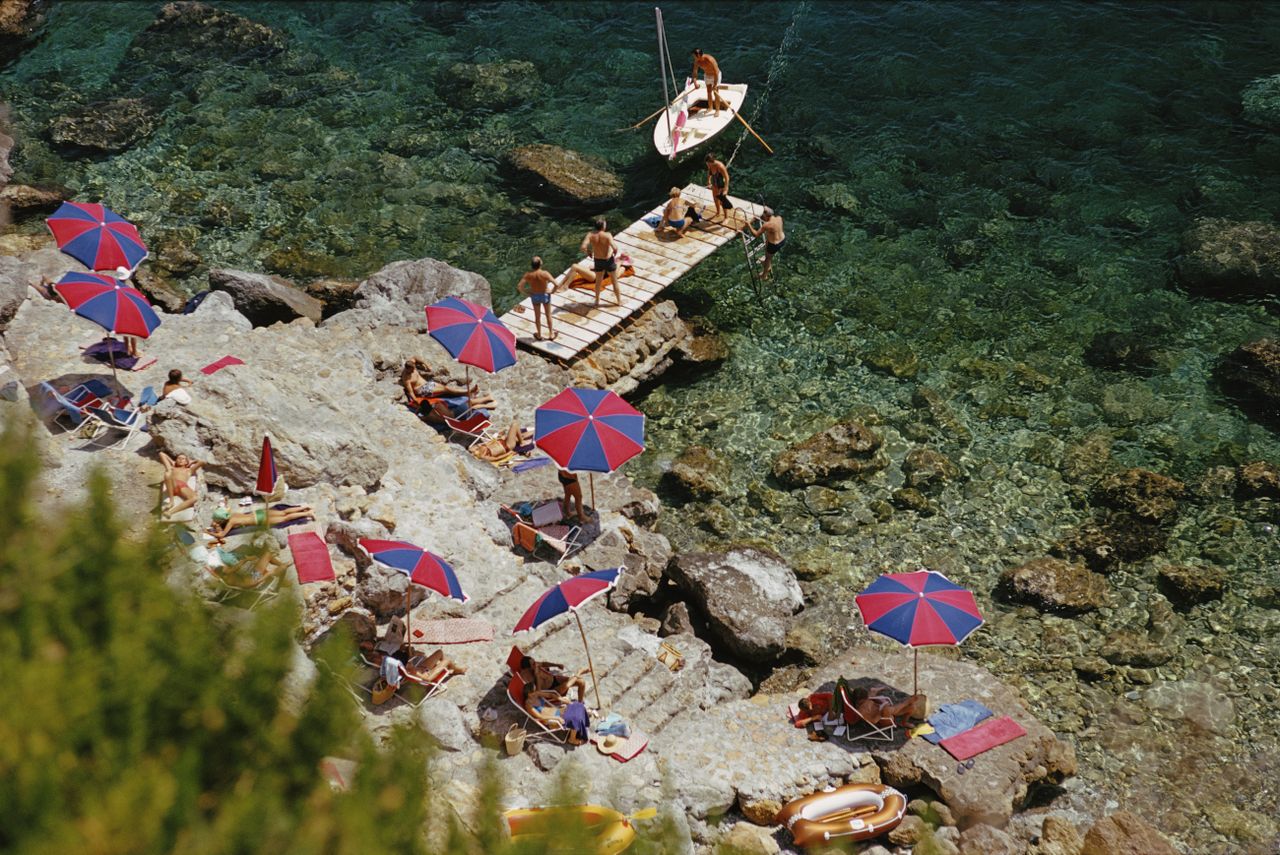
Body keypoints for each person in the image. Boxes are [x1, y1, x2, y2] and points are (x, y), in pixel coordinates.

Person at [400, 358, 495, 416]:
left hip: (428, 384)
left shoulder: (411, 364)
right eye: (411, 370)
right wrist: (416, 400)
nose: (413, 371)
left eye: (414, 369)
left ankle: (469, 393)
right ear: (407, 369)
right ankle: (468, 392)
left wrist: (425, 364)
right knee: (447, 390)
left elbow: (415, 357)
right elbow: (411, 392)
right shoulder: (406, 378)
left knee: (447, 390)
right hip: (423, 390)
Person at [207, 504, 315, 539]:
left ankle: (307, 514)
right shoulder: (232, 515)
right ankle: (305, 508)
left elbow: (221, 535)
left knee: (285, 519)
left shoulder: (231, 522)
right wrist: (216, 524)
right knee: (284, 512)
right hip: (259, 513)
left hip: (260, 519)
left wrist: (209, 532)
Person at [579, 219, 621, 308]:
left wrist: (588, 252)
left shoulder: (590, 235)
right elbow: (615, 247)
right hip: (608, 260)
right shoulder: (607, 235)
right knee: (614, 281)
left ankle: (597, 301)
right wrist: (614, 252)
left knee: (598, 282)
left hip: (598, 260)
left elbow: (583, 247)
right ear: (603, 226)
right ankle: (619, 301)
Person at [516, 256, 557, 341]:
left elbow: (519, 286)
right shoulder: (545, 273)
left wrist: (527, 294)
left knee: (537, 316)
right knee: (548, 315)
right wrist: (552, 292)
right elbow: (556, 284)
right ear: (540, 263)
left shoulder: (528, 275)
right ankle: (551, 334)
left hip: (535, 296)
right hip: (545, 295)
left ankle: (539, 334)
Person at [520, 655, 588, 704]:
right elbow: (538, 693)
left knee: (581, 682)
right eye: (533, 664)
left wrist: (557, 665)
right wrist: (537, 675)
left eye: (534, 661)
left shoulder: (535, 665)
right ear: (528, 668)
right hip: (552, 690)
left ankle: (580, 703)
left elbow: (544, 663)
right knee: (566, 685)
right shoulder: (528, 678)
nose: (536, 664)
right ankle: (579, 672)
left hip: (555, 679)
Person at [848, 685, 927, 727]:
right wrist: (881, 710)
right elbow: (874, 720)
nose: (867, 699)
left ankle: (904, 722)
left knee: (912, 707)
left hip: (885, 711)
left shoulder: (865, 701)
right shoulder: (862, 710)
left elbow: (870, 697)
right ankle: (906, 702)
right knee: (888, 710)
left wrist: (880, 704)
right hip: (882, 720)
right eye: (865, 699)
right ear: (859, 701)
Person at [159, 452, 204, 516]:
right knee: (167, 474)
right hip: (172, 484)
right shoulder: (172, 468)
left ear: (186, 462)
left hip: (183, 486)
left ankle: (170, 512)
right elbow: (161, 454)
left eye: (183, 459)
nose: (180, 460)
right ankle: (171, 502)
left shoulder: (189, 470)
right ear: (176, 460)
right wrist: (172, 461)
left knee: (195, 498)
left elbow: (203, 462)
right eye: (179, 458)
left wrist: (193, 461)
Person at [746, 207, 786, 278]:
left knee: (768, 258)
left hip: (774, 244)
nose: (762, 217)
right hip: (782, 240)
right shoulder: (779, 218)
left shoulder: (767, 225)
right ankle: (766, 263)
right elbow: (775, 229)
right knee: (768, 239)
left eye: (763, 216)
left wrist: (748, 224)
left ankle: (764, 275)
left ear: (766, 216)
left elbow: (756, 234)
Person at [469, 420, 534, 462]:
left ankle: (535, 433)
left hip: (502, 441)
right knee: (514, 425)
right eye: (473, 453)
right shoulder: (484, 457)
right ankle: (522, 442)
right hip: (507, 446)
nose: (473, 452)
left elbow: (471, 448)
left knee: (521, 435)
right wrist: (508, 453)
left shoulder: (480, 447)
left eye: (473, 451)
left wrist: (499, 437)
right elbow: (496, 458)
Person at [690, 49, 722, 116]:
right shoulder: (697, 61)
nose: (694, 58)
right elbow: (695, 72)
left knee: (716, 92)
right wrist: (695, 83)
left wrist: (715, 84)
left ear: (698, 55)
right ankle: (710, 107)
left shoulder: (710, 59)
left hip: (715, 75)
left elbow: (716, 72)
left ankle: (717, 110)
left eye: (694, 56)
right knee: (709, 91)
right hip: (707, 75)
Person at [705, 154, 734, 223]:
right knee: (715, 199)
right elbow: (709, 173)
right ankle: (718, 212)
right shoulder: (710, 166)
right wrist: (708, 181)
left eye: (708, 163)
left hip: (722, 185)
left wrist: (725, 189)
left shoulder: (720, 166)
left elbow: (727, 178)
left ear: (712, 162)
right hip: (715, 185)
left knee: (722, 201)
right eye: (707, 163)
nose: (707, 165)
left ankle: (726, 217)